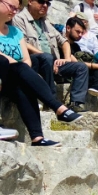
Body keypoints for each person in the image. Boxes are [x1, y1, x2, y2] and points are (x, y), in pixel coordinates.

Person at [0, 0, 81, 147]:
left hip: (14, 78)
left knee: (24, 86)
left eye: (16, 9)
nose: (14, 11)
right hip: (3, 74)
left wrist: (25, 74)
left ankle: (37, 138)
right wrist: (23, 71)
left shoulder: (15, 32)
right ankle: (58, 107)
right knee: (20, 71)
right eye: (11, 7)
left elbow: (26, 59)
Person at [13, 0, 92, 112]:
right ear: (30, 1)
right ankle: (52, 101)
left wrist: (66, 59)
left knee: (81, 67)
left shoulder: (45, 22)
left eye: (47, 3)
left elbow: (63, 41)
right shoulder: (19, 19)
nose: (45, 5)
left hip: (51, 62)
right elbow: (22, 43)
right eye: (41, 1)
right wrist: (44, 55)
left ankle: (77, 103)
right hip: (32, 62)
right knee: (46, 58)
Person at [63, 17, 98, 100]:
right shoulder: (63, 43)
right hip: (69, 72)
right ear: (68, 28)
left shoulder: (76, 45)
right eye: (78, 32)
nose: (80, 35)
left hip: (80, 71)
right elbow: (76, 62)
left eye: (82, 33)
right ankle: (97, 86)